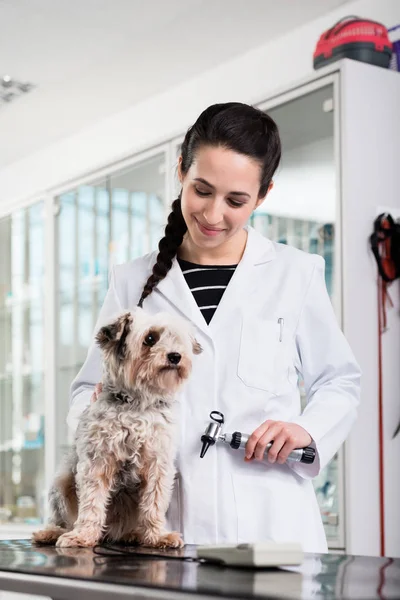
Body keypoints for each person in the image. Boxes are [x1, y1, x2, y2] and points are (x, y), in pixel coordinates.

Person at [68, 102, 361, 553]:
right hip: (163, 521)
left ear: (262, 196)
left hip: (270, 518)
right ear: (181, 171)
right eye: (201, 190)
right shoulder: (131, 281)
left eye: (236, 200)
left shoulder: (295, 273)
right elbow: (86, 389)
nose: (212, 214)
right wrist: (98, 424)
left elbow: (339, 381)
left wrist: (307, 430)